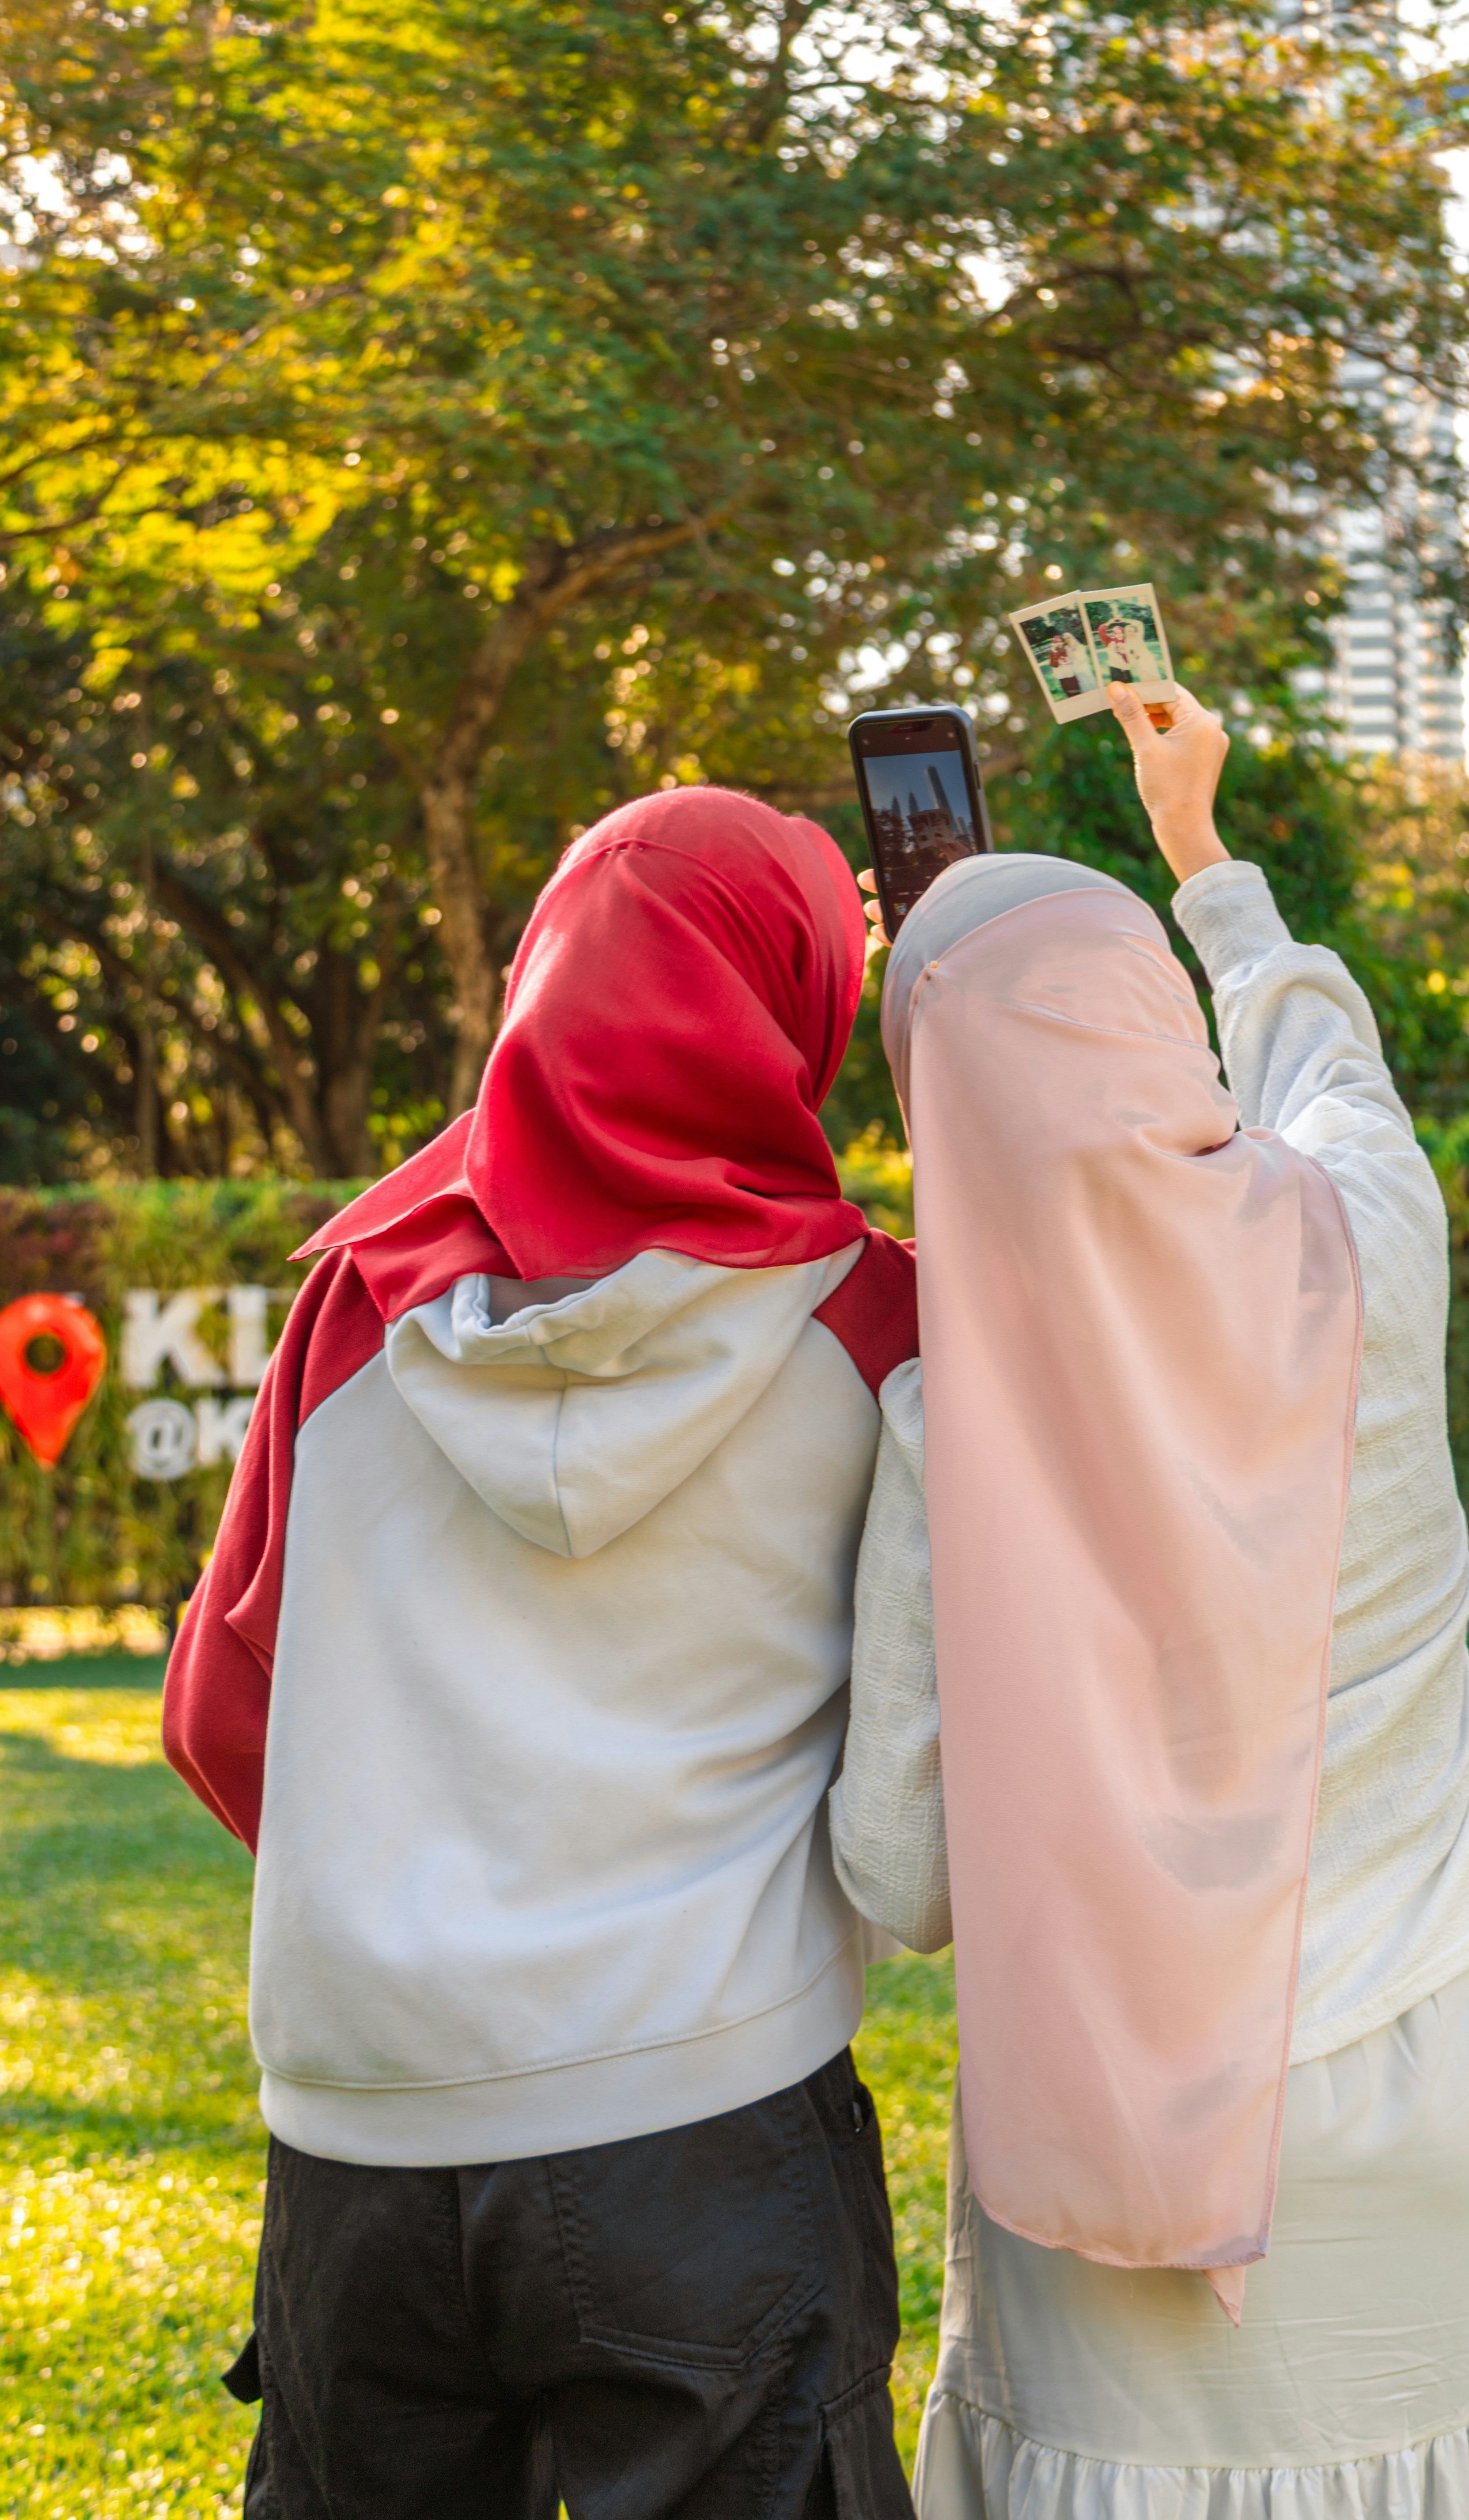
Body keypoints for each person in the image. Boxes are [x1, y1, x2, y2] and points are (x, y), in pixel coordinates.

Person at [833, 688, 1469, 2518]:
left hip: (1098, 2152)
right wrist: (1197, 850)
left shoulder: (945, 1424)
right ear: (1152, 1034)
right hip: (1413, 2072)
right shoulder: (1365, 1234)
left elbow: (902, 1882)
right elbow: (1326, 1057)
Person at [163, 787, 920, 2520]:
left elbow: (224, 1715)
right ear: (793, 998)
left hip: (361, 2124)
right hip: (702, 2106)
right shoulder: (874, 1324)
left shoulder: (354, 1295)